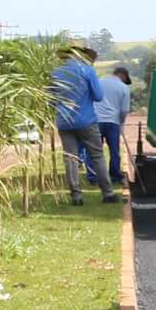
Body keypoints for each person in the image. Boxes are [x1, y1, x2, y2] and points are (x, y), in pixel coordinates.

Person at [50, 44, 113, 205]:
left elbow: (50, 99)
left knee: (70, 158)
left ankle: (76, 196)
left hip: (64, 122)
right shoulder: (87, 71)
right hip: (86, 120)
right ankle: (107, 193)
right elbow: (98, 96)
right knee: (97, 156)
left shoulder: (56, 73)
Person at [95, 59, 139, 192]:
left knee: (95, 151)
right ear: (123, 76)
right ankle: (114, 175)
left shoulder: (99, 82)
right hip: (113, 122)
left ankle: (94, 177)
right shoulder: (124, 88)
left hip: (96, 120)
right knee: (114, 150)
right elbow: (124, 110)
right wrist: (121, 122)